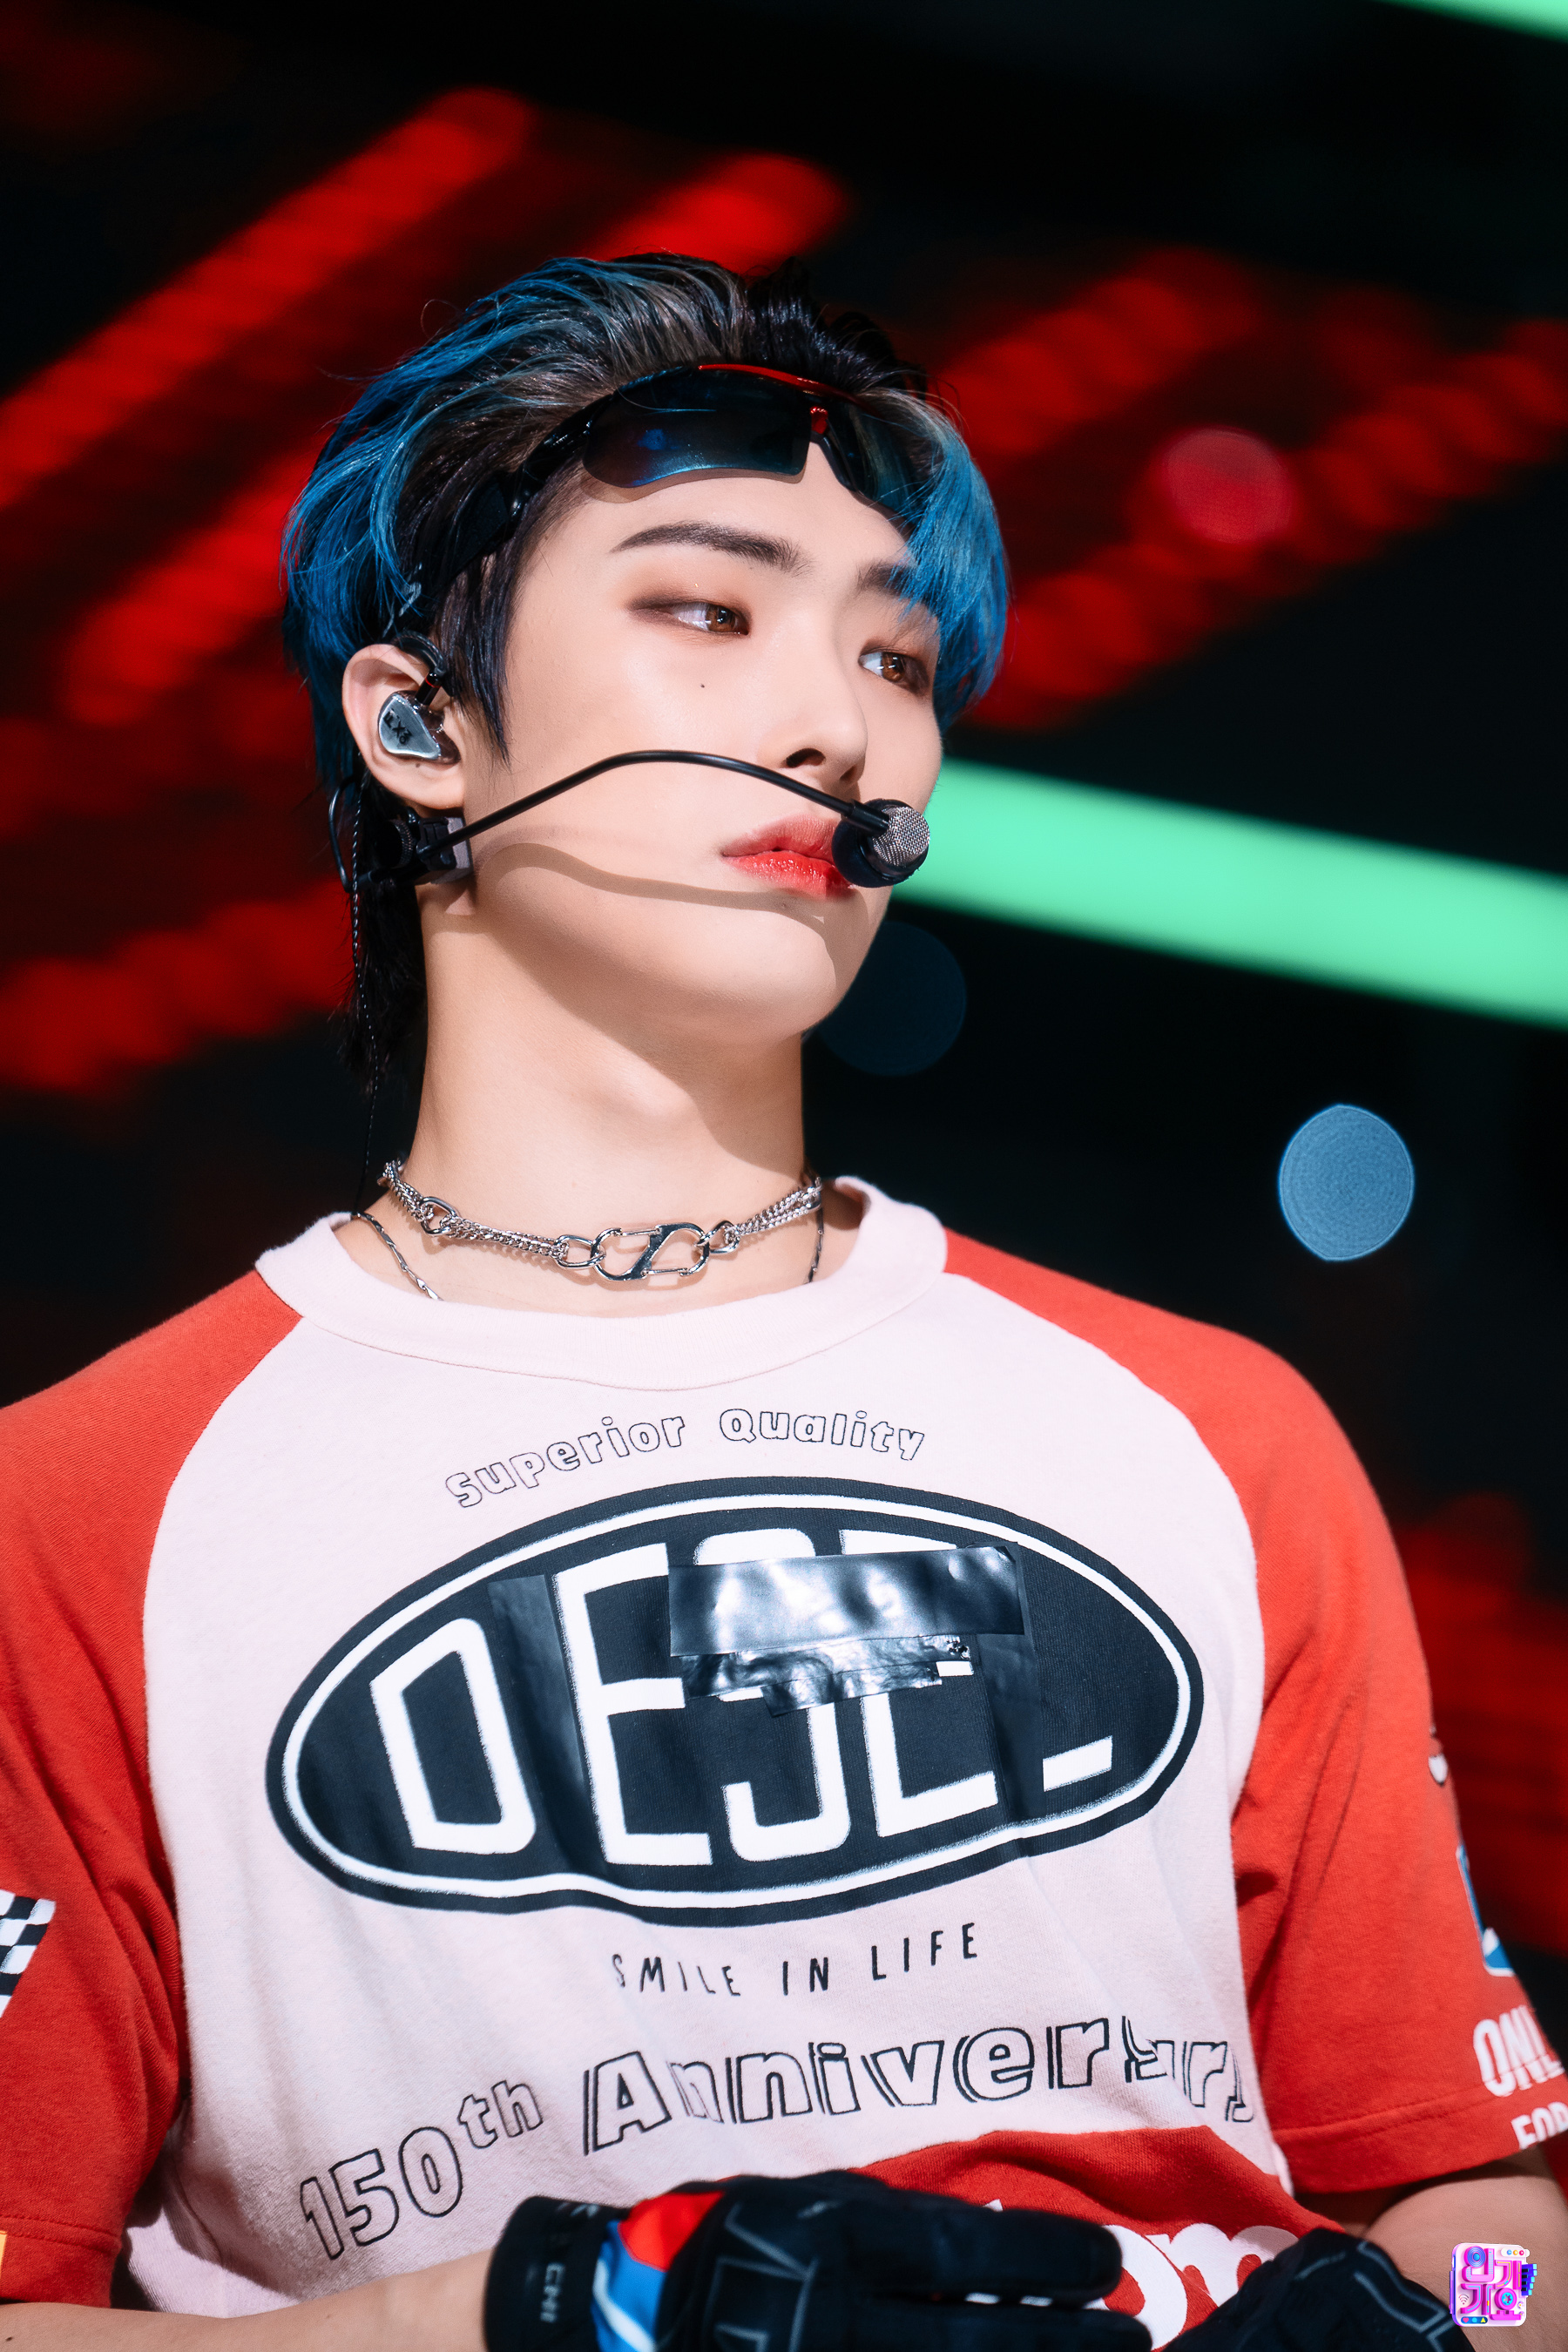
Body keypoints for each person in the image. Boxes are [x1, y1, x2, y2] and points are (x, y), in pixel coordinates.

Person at [1, 253, 1563, 2352]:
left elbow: (1496, 2215)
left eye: (895, 656)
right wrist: (541, 2317)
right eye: (708, 611)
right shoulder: (81, 1515)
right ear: (419, 723)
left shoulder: (1210, 1436)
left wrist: (1452, 2327)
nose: (839, 724)